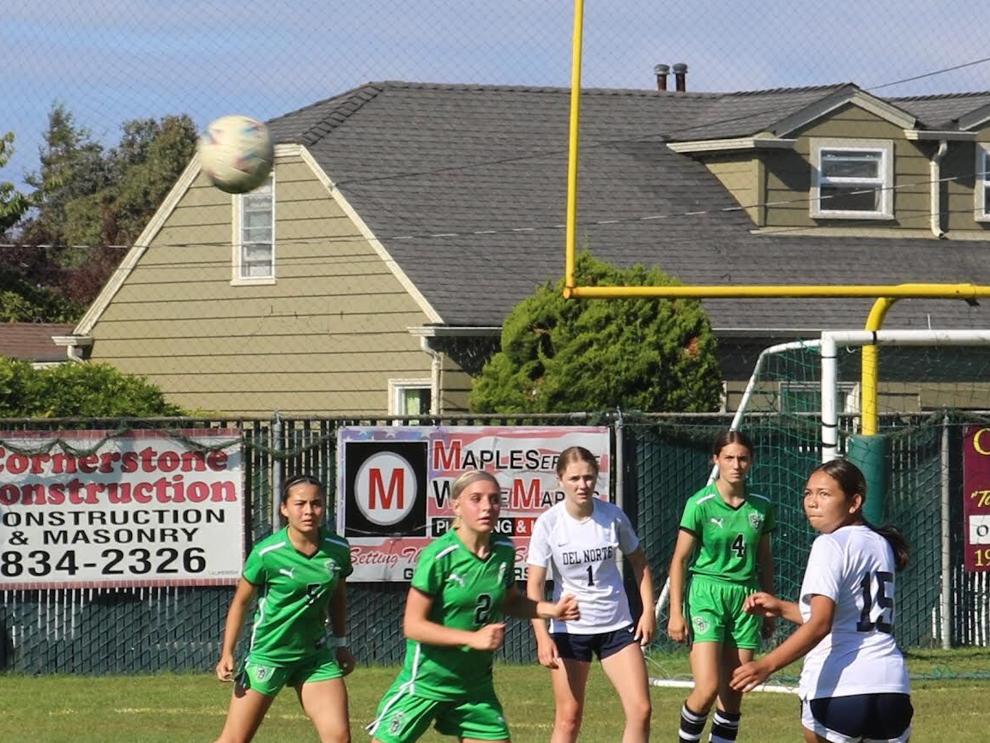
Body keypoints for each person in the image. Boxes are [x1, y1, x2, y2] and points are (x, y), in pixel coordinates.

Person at [367, 469, 580, 743]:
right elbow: (413, 626)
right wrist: (472, 638)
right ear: (456, 505)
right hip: (426, 682)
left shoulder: (503, 549)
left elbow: (510, 601)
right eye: (475, 499)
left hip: (474, 686)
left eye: (494, 499)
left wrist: (552, 610)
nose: (486, 507)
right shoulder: (440, 556)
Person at [730, 458, 913, 743]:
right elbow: (847, 618)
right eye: (808, 493)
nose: (812, 502)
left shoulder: (829, 544)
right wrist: (782, 608)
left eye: (824, 494)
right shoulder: (880, 543)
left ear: (854, 502)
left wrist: (765, 665)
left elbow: (821, 624)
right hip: (891, 687)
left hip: (839, 687)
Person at [526, 445, 655, 743]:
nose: (582, 485)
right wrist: (542, 636)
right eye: (574, 478)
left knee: (641, 710)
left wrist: (647, 611)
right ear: (560, 480)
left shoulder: (612, 516)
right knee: (569, 718)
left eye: (588, 477)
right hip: (570, 631)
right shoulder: (549, 523)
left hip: (617, 626)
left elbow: (640, 564)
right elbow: (533, 586)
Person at [213, 474, 354, 743]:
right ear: (284, 508)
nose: (309, 511)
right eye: (300, 504)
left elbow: (338, 596)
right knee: (234, 740)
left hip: (315, 657)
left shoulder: (337, 549)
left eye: (316, 503)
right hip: (269, 655)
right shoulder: (267, 553)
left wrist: (341, 642)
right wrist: (227, 653)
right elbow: (241, 602)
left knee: (339, 738)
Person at [667, 430, 775, 743]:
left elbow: (765, 560)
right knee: (708, 687)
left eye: (743, 458)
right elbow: (679, 560)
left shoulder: (761, 506)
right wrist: (676, 613)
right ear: (716, 460)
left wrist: (769, 609)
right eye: (729, 457)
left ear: (751, 461)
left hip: (746, 599)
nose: (736, 464)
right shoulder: (699, 504)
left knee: (734, 691)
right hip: (707, 595)